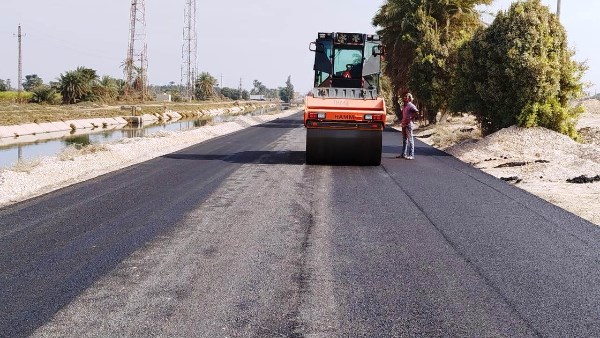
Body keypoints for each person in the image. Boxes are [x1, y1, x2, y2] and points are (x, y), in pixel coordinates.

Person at [397, 92, 418, 160]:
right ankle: (403, 154)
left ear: (409, 98)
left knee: (410, 140)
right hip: (404, 124)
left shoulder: (411, 105)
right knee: (404, 140)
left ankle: (411, 155)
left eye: (406, 97)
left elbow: (416, 112)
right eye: (404, 96)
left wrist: (411, 119)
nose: (404, 98)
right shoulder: (405, 106)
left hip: (408, 124)